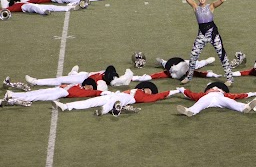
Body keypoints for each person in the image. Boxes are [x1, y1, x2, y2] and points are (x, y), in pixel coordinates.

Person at [180, 0, 234, 86]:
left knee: (222, 55)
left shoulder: (211, 6)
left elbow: (222, 0)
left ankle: (230, 78)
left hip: (213, 33)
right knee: (193, 55)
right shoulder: (195, 6)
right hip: (202, 34)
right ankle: (189, 77)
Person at [51, 82, 180, 116]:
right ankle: (66, 106)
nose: (147, 91)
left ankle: (104, 110)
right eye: (148, 89)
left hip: (126, 98)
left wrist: (176, 91)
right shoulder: (138, 89)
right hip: (115, 94)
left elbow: (161, 95)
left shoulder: (146, 98)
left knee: (115, 102)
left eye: (149, 92)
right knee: (90, 102)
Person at [176, 81, 256, 117]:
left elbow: (238, 95)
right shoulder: (203, 94)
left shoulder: (223, 94)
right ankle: (189, 111)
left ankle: (245, 107)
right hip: (208, 98)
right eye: (213, 87)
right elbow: (192, 95)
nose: (215, 88)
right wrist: (183, 90)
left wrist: (250, 94)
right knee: (199, 104)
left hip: (220, 98)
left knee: (231, 102)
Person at [0, 78, 106, 107]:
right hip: (61, 92)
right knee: (38, 95)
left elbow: (93, 93)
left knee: (38, 95)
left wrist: (100, 92)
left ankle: (12, 95)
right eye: (91, 87)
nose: (91, 89)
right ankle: (13, 95)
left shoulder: (78, 86)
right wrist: (101, 93)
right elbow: (93, 93)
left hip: (62, 91)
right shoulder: (79, 87)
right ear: (87, 85)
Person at [25, 65, 133, 89]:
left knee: (60, 80)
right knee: (72, 76)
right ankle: (73, 73)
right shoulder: (105, 73)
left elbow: (121, 80)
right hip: (84, 75)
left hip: (84, 80)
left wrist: (128, 75)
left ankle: (36, 82)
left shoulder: (105, 80)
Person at [131, 56, 220, 81]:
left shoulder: (187, 66)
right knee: (163, 63)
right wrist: (135, 78)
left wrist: (211, 74)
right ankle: (162, 61)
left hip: (186, 64)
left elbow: (200, 73)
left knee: (198, 64)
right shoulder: (169, 68)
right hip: (174, 65)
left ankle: (206, 61)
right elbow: (153, 76)